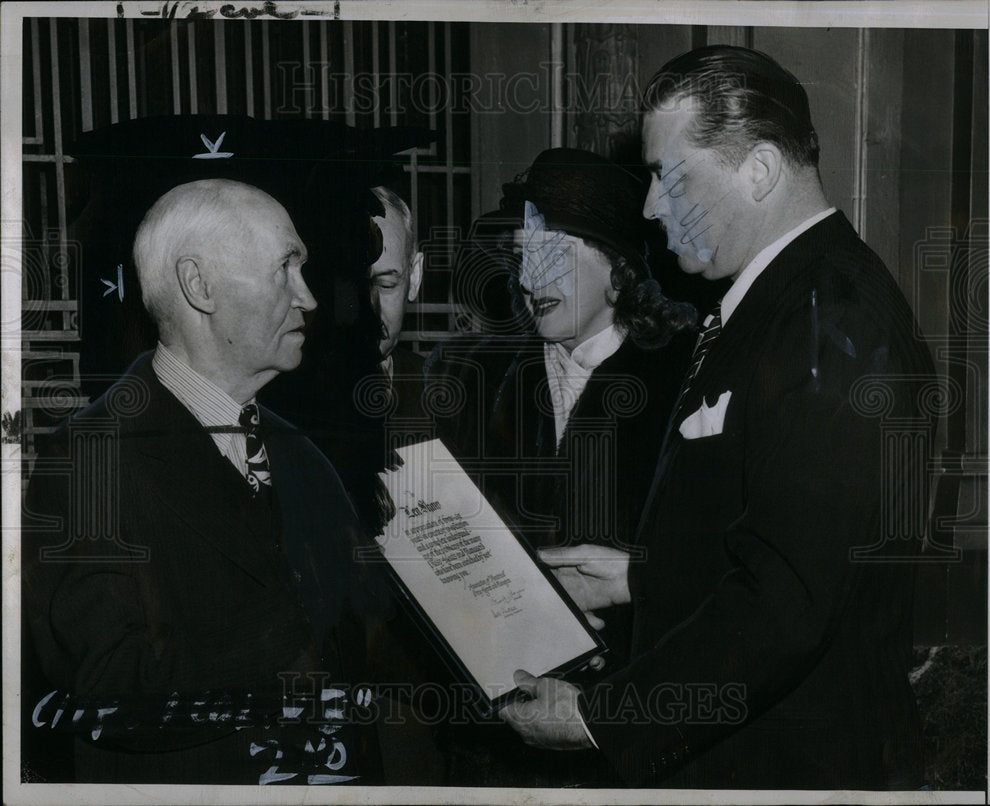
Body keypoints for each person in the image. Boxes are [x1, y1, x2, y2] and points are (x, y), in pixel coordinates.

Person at [500, 46, 936, 790]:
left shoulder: (835, 326)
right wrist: (642, 575)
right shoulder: (790, 301)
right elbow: (783, 536)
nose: (648, 208)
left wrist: (597, 718)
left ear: (759, 171)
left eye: (667, 177)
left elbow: (785, 608)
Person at [22, 179, 384, 785]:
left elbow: (368, 632)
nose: (309, 297)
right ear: (199, 285)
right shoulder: (88, 459)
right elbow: (112, 685)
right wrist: (295, 624)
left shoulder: (300, 454)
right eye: (285, 268)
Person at [428, 147, 696, 786]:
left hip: (633, 734)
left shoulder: (685, 379)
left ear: (619, 271)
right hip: (497, 731)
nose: (527, 278)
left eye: (553, 254)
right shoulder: (473, 374)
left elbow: (716, 563)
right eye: (522, 255)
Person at [368, 186, 427, 420]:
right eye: (351, 287)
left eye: (386, 285)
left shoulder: (447, 396)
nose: (371, 309)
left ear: (415, 277)